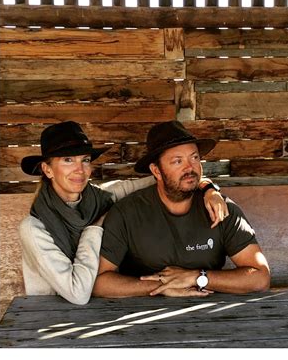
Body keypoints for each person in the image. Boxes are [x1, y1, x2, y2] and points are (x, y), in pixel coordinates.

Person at [19, 121, 228, 305]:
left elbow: (173, 177)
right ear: (47, 169)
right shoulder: (35, 228)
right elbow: (78, 293)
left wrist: (209, 189)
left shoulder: (102, 197)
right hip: (51, 314)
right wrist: (94, 228)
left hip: (104, 308)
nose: (80, 170)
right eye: (67, 160)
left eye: (85, 160)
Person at [92, 120, 270, 298]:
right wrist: (163, 286)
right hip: (139, 311)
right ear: (156, 171)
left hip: (210, 308)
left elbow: (260, 278)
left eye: (194, 158)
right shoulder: (127, 213)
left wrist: (197, 277)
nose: (190, 168)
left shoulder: (220, 208)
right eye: (178, 161)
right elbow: (99, 282)